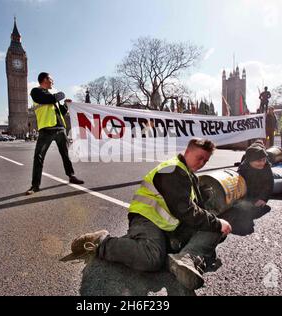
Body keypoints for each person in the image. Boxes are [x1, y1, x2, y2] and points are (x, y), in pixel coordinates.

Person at [64, 139, 232, 290]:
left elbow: (199, 211)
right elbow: (185, 210)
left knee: (215, 229)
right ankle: (102, 243)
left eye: (206, 160)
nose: (202, 163)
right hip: (147, 219)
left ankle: (186, 259)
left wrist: (217, 223)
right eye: (199, 157)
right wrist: (216, 222)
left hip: (171, 226)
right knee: (151, 258)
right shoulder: (171, 170)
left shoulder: (190, 176)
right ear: (187, 152)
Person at [26, 72, 84, 195]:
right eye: (51, 79)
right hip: (46, 130)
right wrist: (62, 95)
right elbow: (50, 99)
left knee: (65, 155)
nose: (53, 82)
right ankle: (35, 185)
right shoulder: (36, 92)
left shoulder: (53, 96)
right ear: (45, 79)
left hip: (59, 129)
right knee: (38, 157)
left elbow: (60, 113)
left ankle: (71, 176)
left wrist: (65, 105)